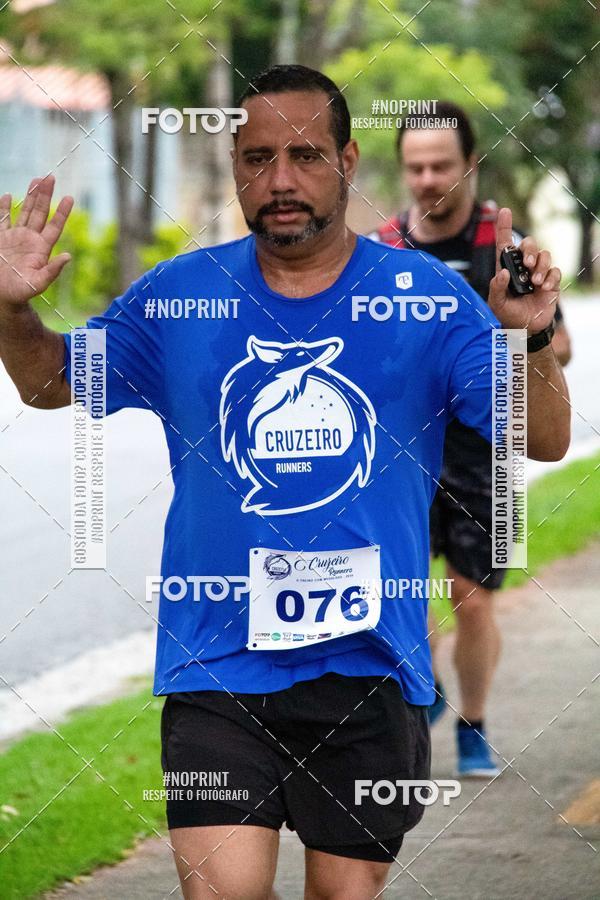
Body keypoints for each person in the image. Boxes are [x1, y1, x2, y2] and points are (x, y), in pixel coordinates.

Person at [0, 66, 570, 899]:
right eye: (257, 157)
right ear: (234, 165)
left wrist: (531, 339)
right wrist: (12, 311)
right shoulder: (179, 297)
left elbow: (545, 436)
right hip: (217, 667)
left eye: (304, 154)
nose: (280, 180)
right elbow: (51, 381)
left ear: (347, 161)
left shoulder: (428, 300)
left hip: (370, 670)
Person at [369, 101, 572, 778]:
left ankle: (475, 726)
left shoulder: (508, 248)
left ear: (472, 164)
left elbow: (559, 345)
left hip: (486, 450)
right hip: (401, 451)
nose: (427, 180)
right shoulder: (383, 249)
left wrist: (503, 336)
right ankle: (422, 680)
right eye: (415, 167)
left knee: (472, 594)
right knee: (397, 587)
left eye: (442, 165)